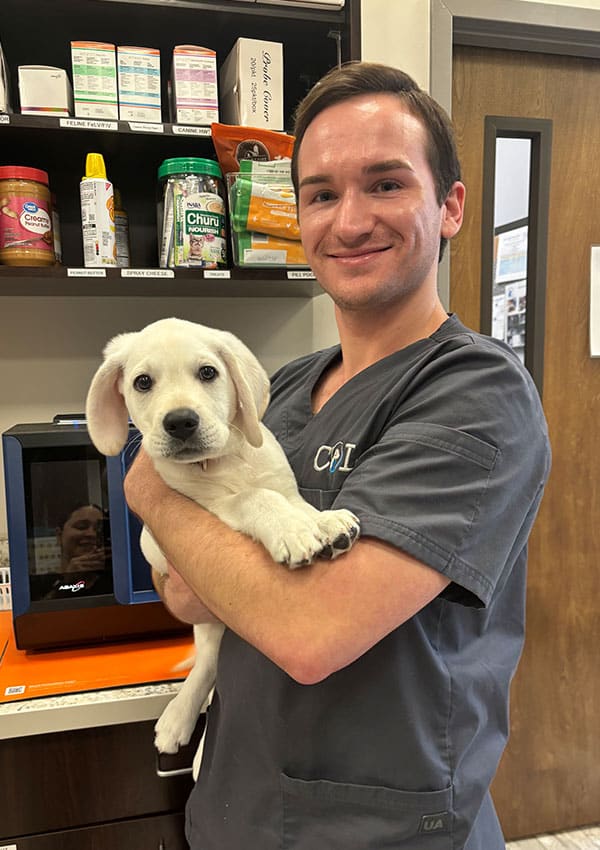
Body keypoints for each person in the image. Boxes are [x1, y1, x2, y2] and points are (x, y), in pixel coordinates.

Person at [124, 62, 551, 850]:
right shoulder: (279, 391)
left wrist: (151, 489)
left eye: (386, 184)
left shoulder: (476, 392)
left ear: (450, 206)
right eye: (321, 194)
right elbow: (185, 595)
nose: (348, 221)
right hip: (238, 810)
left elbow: (311, 633)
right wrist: (229, 571)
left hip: (381, 830)